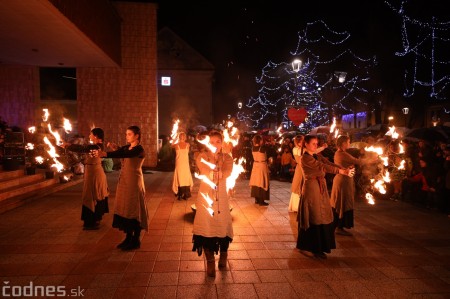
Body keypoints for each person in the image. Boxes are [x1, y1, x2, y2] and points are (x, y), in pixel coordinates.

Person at [296, 135, 353, 259]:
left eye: (317, 143)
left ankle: (319, 247)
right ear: (305, 144)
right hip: (312, 189)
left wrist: (342, 168)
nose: (316, 146)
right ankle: (308, 246)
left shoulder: (316, 155)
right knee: (314, 216)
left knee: (321, 215)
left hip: (320, 188)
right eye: (313, 144)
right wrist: (341, 172)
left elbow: (328, 163)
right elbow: (323, 167)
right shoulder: (305, 158)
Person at [94, 126, 148, 251]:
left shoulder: (138, 149)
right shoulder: (126, 147)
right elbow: (122, 151)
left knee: (133, 208)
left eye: (129, 134)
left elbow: (127, 154)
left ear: (137, 136)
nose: (127, 136)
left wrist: (106, 153)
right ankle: (128, 237)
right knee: (125, 207)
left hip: (134, 182)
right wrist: (115, 148)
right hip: (124, 181)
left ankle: (136, 239)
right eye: (126, 134)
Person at [192, 130, 234, 277]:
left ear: (222, 143)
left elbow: (227, 171)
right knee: (206, 228)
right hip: (206, 196)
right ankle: (210, 261)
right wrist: (211, 170)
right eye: (212, 142)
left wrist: (221, 171)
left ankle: (223, 254)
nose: (215, 145)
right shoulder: (202, 156)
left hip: (221, 197)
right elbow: (204, 169)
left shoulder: (227, 157)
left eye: (218, 142)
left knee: (222, 226)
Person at [330, 135, 377, 236]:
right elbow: (358, 161)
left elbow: (354, 155)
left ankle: (339, 226)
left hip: (345, 180)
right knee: (342, 203)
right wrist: (372, 159)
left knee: (343, 203)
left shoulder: (342, 152)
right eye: (348, 142)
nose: (349, 144)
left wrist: (362, 152)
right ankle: (339, 226)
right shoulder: (341, 154)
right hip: (343, 182)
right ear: (343, 143)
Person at [63, 128, 109, 230]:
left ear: (96, 136)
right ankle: (95, 219)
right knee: (95, 194)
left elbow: (82, 148)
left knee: (92, 195)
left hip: (94, 173)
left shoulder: (95, 146)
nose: (89, 136)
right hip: (94, 171)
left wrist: (68, 145)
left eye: (91, 134)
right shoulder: (97, 145)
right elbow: (83, 148)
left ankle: (92, 221)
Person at [249, 134, 270, 206]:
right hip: (261, 166)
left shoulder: (253, 148)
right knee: (262, 182)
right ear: (260, 140)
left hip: (255, 165)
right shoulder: (262, 148)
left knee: (256, 182)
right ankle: (261, 200)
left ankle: (257, 199)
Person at [171, 132, 193, 200]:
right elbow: (188, 153)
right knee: (185, 178)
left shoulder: (176, 145)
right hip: (185, 164)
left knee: (179, 177)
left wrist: (174, 139)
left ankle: (180, 195)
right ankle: (185, 195)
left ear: (179, 137)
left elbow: (171, 145)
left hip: (179, 163)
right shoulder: (187, 145)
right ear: (185, 137)